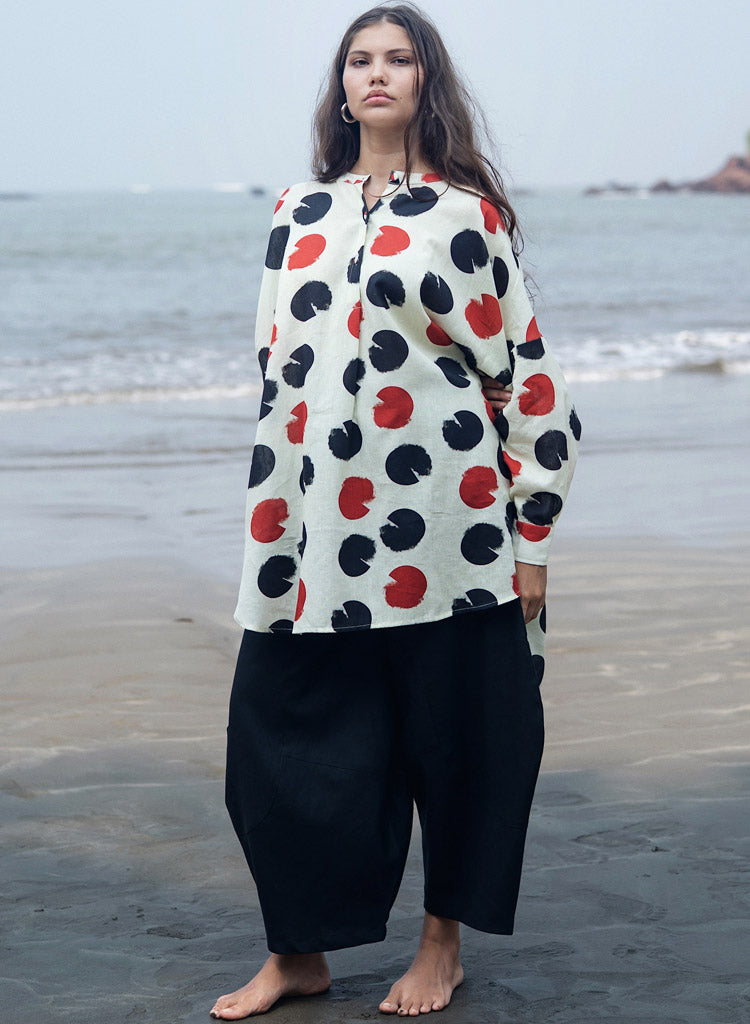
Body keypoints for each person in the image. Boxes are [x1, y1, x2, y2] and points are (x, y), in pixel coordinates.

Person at [211, 3, 579, 1018]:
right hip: (308, 538)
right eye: (359, 60)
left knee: (456, 746)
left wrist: (533, 534)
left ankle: (440, 946)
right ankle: (298, 953)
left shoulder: (467, 216)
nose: (376, 74)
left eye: (398, 58)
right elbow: (276, 370)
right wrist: (278, 514)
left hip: (451, 530)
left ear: (426, 81)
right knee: (274, 744)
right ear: (341, 87)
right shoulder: (296, 210)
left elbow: (525, 378)